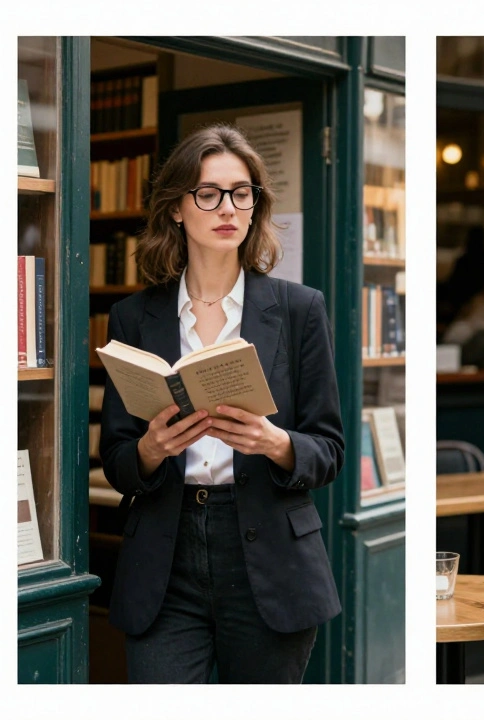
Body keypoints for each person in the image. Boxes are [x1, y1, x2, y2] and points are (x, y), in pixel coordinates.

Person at [99, 124, 344, 683]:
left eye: (242, 193)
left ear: (255, 205)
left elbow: (329, 449)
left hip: (269, 555)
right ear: (177, 210)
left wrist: (276, 443)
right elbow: (115, 458)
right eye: (208, 194)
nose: (227, 208)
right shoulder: (134, 318)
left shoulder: (300, 309)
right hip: (165, 555)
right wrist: (149, 451)